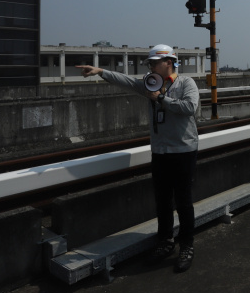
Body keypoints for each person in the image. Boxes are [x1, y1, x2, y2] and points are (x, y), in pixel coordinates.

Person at [76, 44, 199, 273]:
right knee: (162, 201)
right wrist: (100, 72)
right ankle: (165, 242)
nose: (150, 66)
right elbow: (126, 81)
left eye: (154, 63)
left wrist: (162, 100)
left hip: (183, 151)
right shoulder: (150, 83)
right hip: (160, 152)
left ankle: (187, 245)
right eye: (149, 64)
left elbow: (191, 107)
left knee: (183, 201)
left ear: (169, 62)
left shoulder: (185, 83)